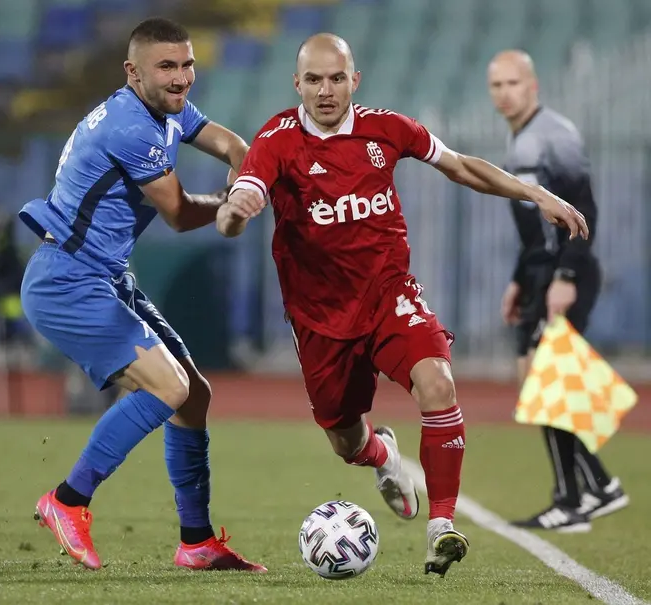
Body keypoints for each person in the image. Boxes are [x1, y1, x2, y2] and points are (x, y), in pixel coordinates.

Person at [217, 34, 589, 576]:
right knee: (345, 439)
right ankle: (383, 456)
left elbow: (460, 165)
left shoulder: (386, 128)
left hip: (389, 295)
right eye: (314, 80)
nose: (326, 90)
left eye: (337, 78)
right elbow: (236, 210)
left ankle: (442, 526)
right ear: (297, 83)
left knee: (437, 382)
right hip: (320, 316)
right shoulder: (275, 141)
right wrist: (236, 210)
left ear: (355, 80)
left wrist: (535, 194)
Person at [18, 17, 265, 572]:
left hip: (104, 276)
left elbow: (232, 144)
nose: (181, 78)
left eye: (187, 65)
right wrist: (229, 203)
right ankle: (67, 499)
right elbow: (178, 214)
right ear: (133, 72)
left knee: (192, 395)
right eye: (167, 67)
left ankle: (196, 541)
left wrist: (246, 182)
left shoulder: (165, 107)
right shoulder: (131, 127)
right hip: (67, 282)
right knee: (170, 387)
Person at [488, 49, 629, 532]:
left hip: (565, 274)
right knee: (537, 381)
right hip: (539, 274)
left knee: (546, 383)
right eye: (496, 85)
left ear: (533, 86)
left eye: (512, 83)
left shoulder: (555, 134)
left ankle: (574, 498)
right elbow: (536, 228)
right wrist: (518, 278)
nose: (504, 93)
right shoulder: (520, 138)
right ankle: (596, 487)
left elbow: (584, 208)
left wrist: (566, 276)